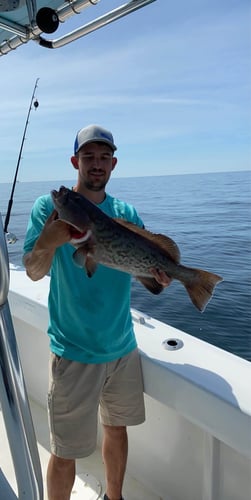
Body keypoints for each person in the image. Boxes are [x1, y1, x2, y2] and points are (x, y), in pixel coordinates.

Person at [23, 124, 171, 500]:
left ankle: (114, 497)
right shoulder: (49, 208)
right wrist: (47, 240)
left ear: (114, 164)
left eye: (104, 157)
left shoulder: (126, 212)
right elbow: (33, 271)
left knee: (117, 429)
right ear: (75, 161)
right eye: (88, 156)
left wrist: (161, 276)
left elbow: (144, 276)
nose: (96, 164)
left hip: (122, 347)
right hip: (74, 351)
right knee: (66, 450)